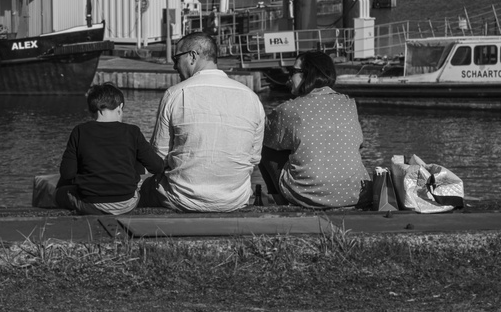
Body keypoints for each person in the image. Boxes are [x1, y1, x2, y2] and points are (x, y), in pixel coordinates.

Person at [140, 31, 266, 212]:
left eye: (176, 59)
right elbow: (253, 158)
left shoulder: (175, 94)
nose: (174, 66)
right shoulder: (251, 97)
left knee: (144, 188)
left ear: (192, 56)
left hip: (181, 199)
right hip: (235, 200)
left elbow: (158, 156)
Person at [35, 83, 167, 215]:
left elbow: (67, 173)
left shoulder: (80, 131)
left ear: (92, 109)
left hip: (91, 203)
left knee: (59, 193)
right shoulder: (132, 132)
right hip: (126, 203)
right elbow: (157, 167)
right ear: (120, 107)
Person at [261, 51, 370, 208]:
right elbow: (359, 144)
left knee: (267, 148)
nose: (289, 78)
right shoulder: (348, 104)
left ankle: (282, 204)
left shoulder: (289, 109)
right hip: (354, 194)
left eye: (293, 72)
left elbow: (265, 137)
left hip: (305, 195)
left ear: (308, 74)